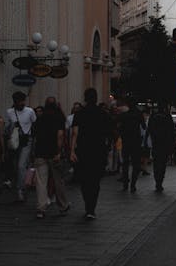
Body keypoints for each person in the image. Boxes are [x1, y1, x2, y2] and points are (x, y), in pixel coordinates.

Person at [70, 88, 111, 220]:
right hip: (99, 150)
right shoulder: (103, 113)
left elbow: (75, 133)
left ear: (85, 98)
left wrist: (72, 151)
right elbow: (108, 133)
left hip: (83, 150)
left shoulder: (80, 113)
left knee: (84, 180)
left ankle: (88, 204)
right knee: (95, 180)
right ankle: (91, 208)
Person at [33, 99, 70, 219]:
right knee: (58, 180)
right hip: (53, 153)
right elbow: (60, 136)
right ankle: (63, 206)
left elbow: (35, 136)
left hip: (40, 152)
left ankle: (41, 208)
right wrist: (59, 152)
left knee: (41, 182)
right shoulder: (58, 117)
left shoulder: (40, 118)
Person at [5, 91, 36, 202]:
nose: (22, 103)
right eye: (20, 101)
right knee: (16, 166)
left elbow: (34, 126)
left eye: (23, 101)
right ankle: (21, 185)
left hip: (27, 141)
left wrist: (34, 146)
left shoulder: (30, 111)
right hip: (14, 142)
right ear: (15, 102)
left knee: (21, 165)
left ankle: (20, 190)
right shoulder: (9, 112)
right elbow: (7, 129)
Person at [118, 96, 146, 192]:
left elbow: (119, 127)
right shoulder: (139, 114)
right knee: (136, 164)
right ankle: (133, 184)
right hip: (136, 141)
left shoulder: (124, 115)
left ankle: (125, 183)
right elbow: (144, 126)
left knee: (125, 163)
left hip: (126, 141)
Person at [147, 103, 176, 192]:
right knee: (162, 164)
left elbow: (149, 129)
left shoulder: (153, 116)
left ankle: (157, 181)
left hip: (156, 143)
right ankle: (160, 181)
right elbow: (172, 131)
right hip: (165, 144)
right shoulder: (167, 116)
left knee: (156, 163)